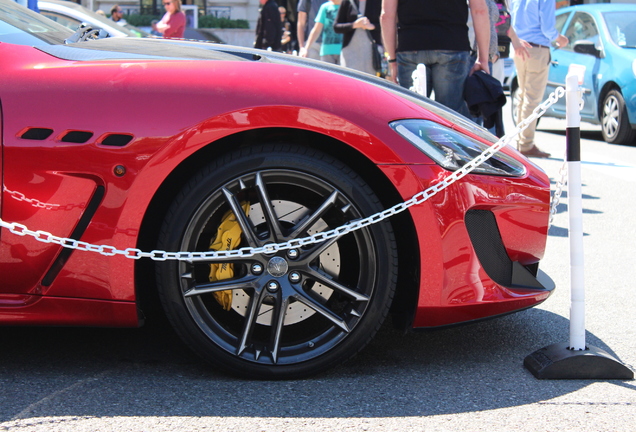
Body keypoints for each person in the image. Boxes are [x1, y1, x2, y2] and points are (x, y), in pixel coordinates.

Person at [380, 0, 491, 117]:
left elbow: (386, 16)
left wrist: (392, 60)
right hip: (452, 44)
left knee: (411, 115)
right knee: (450, 116)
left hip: (411, 46)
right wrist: (483, 58)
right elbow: (480, 10)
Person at [510, 0, 568, 158]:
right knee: (531, 98)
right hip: (537, 48)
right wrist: (560, 38)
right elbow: (547, 28)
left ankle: (521, 141)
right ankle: (525, 144)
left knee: (523, 97)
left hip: (518, 46)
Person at [333, 0, 381, 75]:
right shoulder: (347, 2)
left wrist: (373, 26)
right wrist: (354, 25)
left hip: (371, 53)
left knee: (370, 82)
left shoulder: (377, 2)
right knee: (349, 80)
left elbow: (387, 24)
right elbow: (336, 27)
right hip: (350, 52)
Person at [300, 0, 343, 64]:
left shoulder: (348, 6)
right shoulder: (325, 7)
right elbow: (316, 30)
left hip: (344, 52)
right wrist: (306, 48)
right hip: (327, 52)